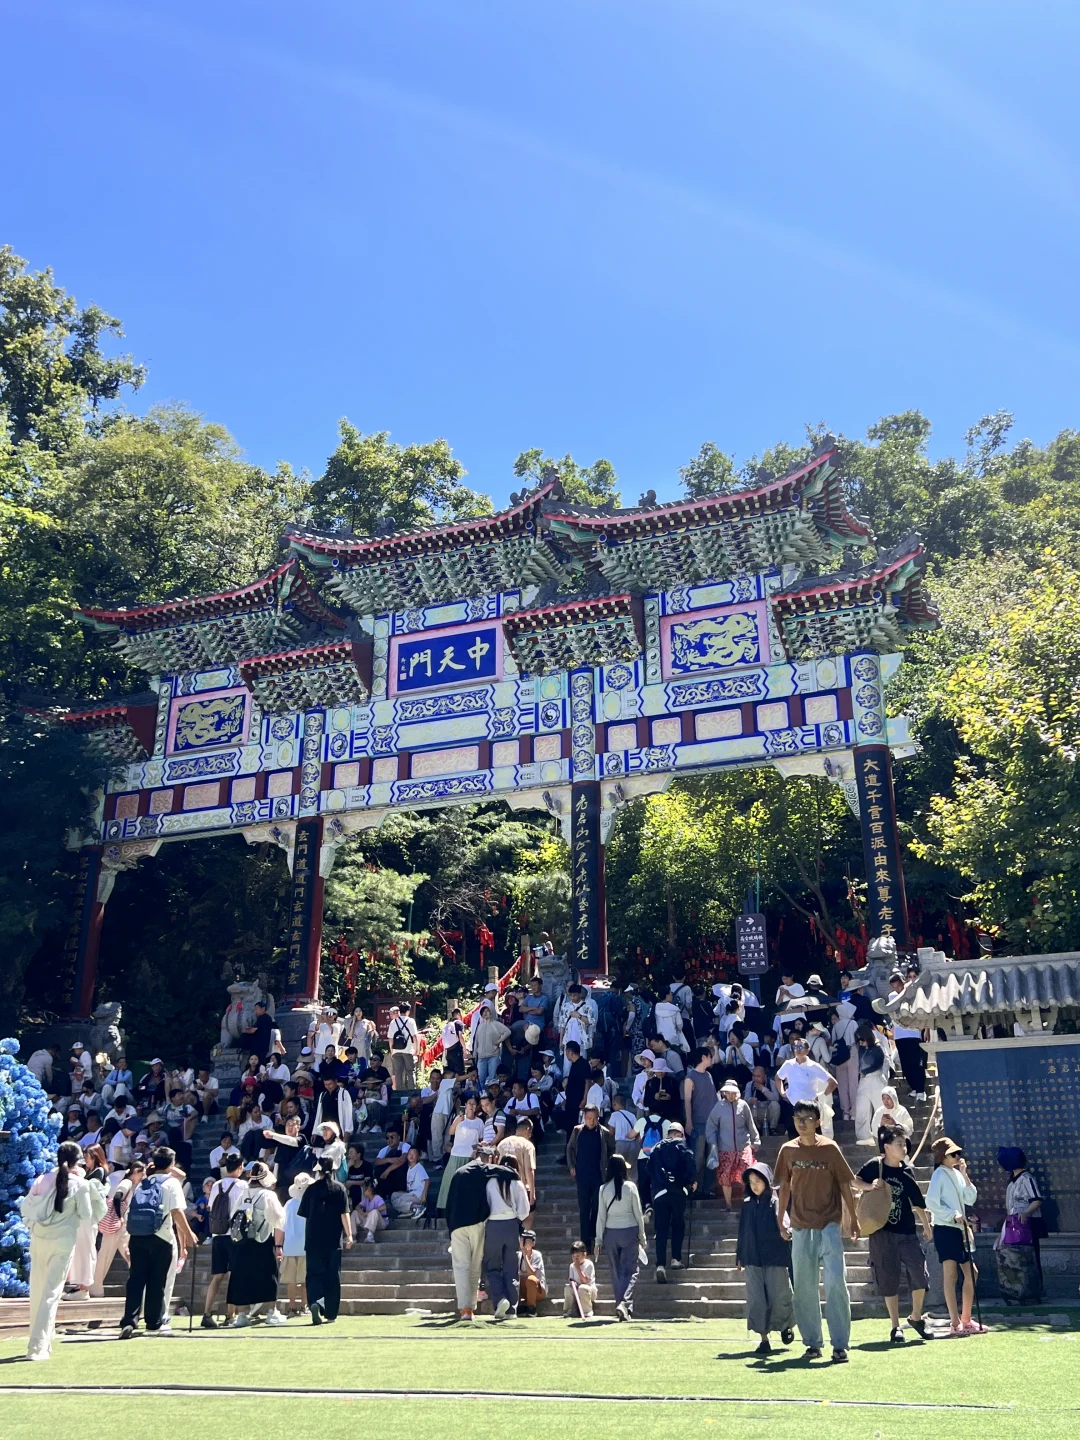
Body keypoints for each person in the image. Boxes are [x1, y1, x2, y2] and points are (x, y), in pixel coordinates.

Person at [773, 1101, 860, 1362]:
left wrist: (852, 1218)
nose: (802, 1123)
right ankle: (812, 1342)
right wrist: (780, 1218)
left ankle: (840, 1343)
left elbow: (846, 1184)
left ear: (818, 1121)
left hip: (830, 1224)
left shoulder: (830, 1149)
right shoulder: (787, 1150)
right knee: (803, 1287)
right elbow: (784, 1187)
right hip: (800, 1226)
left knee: (835, 1283)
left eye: (807, 1118)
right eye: (798, 1118)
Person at [20, 1141, 108, 1361]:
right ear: (77, 1161)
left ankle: (41, 1341)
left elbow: (26, 1208)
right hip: (63, 1242)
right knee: (50, 1294)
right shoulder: (80, 1184)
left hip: (40, 1239)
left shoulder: (43, 1179)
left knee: (38, 1291)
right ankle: (38, 1346)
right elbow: (88, 1215)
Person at [855, 1125, 932, 1342]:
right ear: (887, 1147)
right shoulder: (875, 1166)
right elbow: (854, 1180)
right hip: (881, 1231)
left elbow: (918, 1202)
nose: (904, 1147)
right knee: (888, 1277)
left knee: (919, 1272)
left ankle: (916, 1317)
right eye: (899, 1144)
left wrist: (926, 1226)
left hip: (907, 1231)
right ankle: (895, 1325)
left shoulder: (907, 1171)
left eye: (904, 1143)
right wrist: (870, 1186)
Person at [119, 1145, 193, 1340]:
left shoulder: (144, 1182)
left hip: (138, 1237)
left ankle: (129, 1321)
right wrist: (189, 1234)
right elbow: (177, 1212)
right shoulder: (172, 1183)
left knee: (136, 1280)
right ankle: (153, 1320)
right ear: (171, 1163)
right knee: (156, 1281)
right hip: (161, 1238)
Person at [445, 1152, 517, 1322]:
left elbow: (449, 1203)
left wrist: (450, 1229)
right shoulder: (482, 1169)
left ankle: (465, 1309)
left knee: (461, 1267)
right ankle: (471, 1307)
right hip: (476, 1223)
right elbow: (508, 1172)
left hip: (456, 1225)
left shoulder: (458, 1172)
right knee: (475, 1267)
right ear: (488, 1158)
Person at [926, 1137, 987, 1336]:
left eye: (958, 1153)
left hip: (961, 1230)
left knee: (972, 1272)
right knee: (950, 1275)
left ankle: (967, 1318)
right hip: (945, 1229)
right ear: (942, 1157)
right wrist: (953, 1215)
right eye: (953, 1154)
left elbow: (971, 1197)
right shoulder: (938, 1175)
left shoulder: (957, 1174)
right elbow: (932, 1202)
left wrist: (965, 1174)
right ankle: (954, 1322)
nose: (957, 1157)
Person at [735, 1161, 795, 1356]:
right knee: (756, 1300)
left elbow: (784, 1221)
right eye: (751, 1182)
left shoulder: (775, 1202)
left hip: (775, 1256)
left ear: (767, 1181)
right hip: (752, 1258)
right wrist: (739, 1255)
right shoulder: (747, 1205)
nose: (755, 1185)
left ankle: (786, 1326)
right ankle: (764, 1338)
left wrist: (787, 1231)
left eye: (758, 1181)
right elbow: (742, 1232)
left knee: (780, 1296)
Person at [298, 1157, 353, 1323]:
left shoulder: (311, 1190)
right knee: (332, 1276)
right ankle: (330, 1313)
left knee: (314, 1274)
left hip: (313, 1239)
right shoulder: (340, 1189)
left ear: (318, 1171)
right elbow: (345, 1214)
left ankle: (315, 1301)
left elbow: (304, 1215)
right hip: (333, 1239)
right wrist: (349, 1235)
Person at [595, 1153, 646, 1321]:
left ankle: (622, 1304)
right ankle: (624, 1304)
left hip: (610, 1233)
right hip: (629, 1231)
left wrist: (598, 1240)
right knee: (631, 1271)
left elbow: (600, 1217)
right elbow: (638, 1214)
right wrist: (642, 1235)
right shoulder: (630, 1187)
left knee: (615, 1271)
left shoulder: (603, 1189)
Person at [202, 1153, 249, 1327]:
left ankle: (207, 1313)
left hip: (217, 1235)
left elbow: (210, 1207)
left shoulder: (216, 1185)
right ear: (240, 1167)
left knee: (217, 1276)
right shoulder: (242, 1185)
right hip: (234, 1234)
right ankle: (231, 1315)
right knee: (234, 1275)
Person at [483, 1154, 531, 1318]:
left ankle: (500, 1298)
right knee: (512, 1267)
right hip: (511, 1225)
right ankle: (512, 1308)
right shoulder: (517, 1183)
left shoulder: (490, 1183)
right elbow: (525, 1211)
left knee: (492, 1266)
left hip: (493, 1226)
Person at [648, 1120, 696, 1282]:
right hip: (678, 1192)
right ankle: (676, 1259)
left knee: (661, 1229)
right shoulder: (683, 1146)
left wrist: (658, 1182)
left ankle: (660, 1265)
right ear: (681, 1134)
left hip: (660, 1193)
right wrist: (690, 1181)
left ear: (668, 1133)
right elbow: (690, 1164)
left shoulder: (657, 1147)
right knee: (678, 1225)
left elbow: (649, 1168)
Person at [91, 1159, 144, 1297]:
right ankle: (95, 1288)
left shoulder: (131, 1184)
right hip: (117, 1223)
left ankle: (138, 1284)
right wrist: (120, 1216)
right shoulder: (127, 1182)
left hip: (123, 1226)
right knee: (105, 1255)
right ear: (136, 1172)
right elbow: (117, 1197)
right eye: (142, 1174)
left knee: (129, 1253)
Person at [706, 1078, 761, 1209]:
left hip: (743, 1147)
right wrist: (713, 1143)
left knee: (748, 1174)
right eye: (728, 1092)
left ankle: (750, 1202)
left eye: (733, 1092)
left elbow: (750, 1124)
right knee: (725, 1177)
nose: (730, 1095)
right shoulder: (718, 1107)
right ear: (724, 1093)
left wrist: (756, 1141)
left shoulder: (743, 1105)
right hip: (725, 1148)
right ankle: (728, 1204)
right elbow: (711, 1126)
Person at [567, 1105, 614, 1254]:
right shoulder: (577, 1131)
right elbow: (570, 1149)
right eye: (588, 1118)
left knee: (597, 1208)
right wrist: (571, 1166)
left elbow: (612, 1149)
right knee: (584, 1209)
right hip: (582, 1175)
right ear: (584, 1117)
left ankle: (594, 1236)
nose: (591, 1121)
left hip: (598, 1176)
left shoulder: (604, 1133)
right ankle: (585, 1242)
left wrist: (608, 1166)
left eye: (593, 1118)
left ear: (598, 1117)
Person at [999, 1146, 1045, 1282]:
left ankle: (1036, 1286)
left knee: (1031, 1256)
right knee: (1017, 1256)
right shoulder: (1011, 1180)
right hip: (1014, 1223)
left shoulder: (1026, 1178)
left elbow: (1036, 1200)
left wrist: (1025, 1213)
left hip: (1028, 1223)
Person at [776, 1037, 837, 1140]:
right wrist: (782, 1093)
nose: (798, 1049)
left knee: (812, 1139)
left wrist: (821, 1096)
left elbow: (833, 1083)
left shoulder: (814, 1066)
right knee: (794, 1139)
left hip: (810, 1109)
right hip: (793, 1107)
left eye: (801, 1047)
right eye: (795, 1047)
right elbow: (778, 1078)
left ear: (807, 1050)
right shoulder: (788, 1064)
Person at [438, 1096, 486, 1208]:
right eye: (470, 1103)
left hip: (470, 1157)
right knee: (450, 1182)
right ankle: (447, 1207)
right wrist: (457, 1121)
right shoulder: (459, 1118)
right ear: (466, 1104)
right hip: (456, 1155)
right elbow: (450, 1132)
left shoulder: (479, 1122)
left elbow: (481, 1140)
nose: (471, 1106)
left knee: (467, 1185)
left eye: (474, 1104)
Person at [683, 1046, 719, 1189]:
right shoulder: (690, 1077)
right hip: (698, 1123)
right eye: (710, 1056)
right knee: (697, 1158)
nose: (711, 1059)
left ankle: (707, 1189)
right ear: (703, 1057)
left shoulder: (708, 1076)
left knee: (711, 1158)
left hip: (712, 1124)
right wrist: (689, 1121)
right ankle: (694, 1188)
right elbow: (687, 1100)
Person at [278, 1172, 311, 1316]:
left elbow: (281, 1226)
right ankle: (304, 1306)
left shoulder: (288, 1204)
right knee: (304, 1280)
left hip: (290, 1246)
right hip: (306, 1246)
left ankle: (292, 1307)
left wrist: (278, 1245)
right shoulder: (310, 1203)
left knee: (291, 1280)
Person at [854, 1024, 890, 1143]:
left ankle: (883, 1134)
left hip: (876, 1079)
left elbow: (878, 1064)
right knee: (861, 1109)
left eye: (862, 1039)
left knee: (880, 1108)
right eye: (858, 1040)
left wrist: (865, 1071)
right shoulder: (861, 1049)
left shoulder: (878, 1047)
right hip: (864, 1080)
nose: (860, 1042)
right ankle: (863, 1136)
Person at [497, 1116, 537, 1209]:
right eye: (530, 1133)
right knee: (527, 1219)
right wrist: (532, 1193)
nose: (530, 1136)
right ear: (527, 1129)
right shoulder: (527, 1145)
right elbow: (529, 1169)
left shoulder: (501, 1144)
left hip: (503, 1189)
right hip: (521, 1188)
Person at [829, 1003, 860, 1122]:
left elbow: (833, 1041)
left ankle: (845, 1112)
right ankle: (854, 1112)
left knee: (842, 1085)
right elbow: (857, 1039)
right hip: (852, 1053)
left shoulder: (836, 1025)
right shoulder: (853, 1023)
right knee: (853, 1083)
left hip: (840, 1056)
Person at [472, 1004, 510, 1089]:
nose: (485, 1013)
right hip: (481, 1057)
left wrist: (499, 1041)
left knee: (493, 1078)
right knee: (480, 1078)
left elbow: (507, 1032)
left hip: (493, 1056)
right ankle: (482, 1096)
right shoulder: (480, 1026)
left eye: (487, 1011)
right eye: (483, 1011)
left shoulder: (495, 1024)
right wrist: (474, 1052)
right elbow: (476, 1040)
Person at [387, 1003, 420, 1091]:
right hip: (408, 1050)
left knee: (398, 1073)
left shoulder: (393, 1022)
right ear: (408, 1011)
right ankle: (411, 1092)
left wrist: (391, 1051)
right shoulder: (410, 1021)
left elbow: (390, 1039)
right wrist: (416, 1050)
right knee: (410, 1071)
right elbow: (415, 1037)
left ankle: (399, 1092)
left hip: (396, 1051)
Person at [391, 1146, 430, 1218]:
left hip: (417, 1195)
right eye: (409, 1154)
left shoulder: (419, 1167)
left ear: (418, 1156)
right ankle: (412, 1210)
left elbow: (427, 1180)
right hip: (411, 1194)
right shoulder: (409, 1168)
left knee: (398, 1201)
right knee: (394, 1195)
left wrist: (424, 1195)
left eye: (414, 1153)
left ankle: (418, 1207)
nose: (411, 1155)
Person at [744, 1067, 782, 1137]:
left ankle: (772, 1128)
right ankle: (756, 1129)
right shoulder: (749, 1085)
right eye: (754, 1076)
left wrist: (763, 1089)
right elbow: (745, 1099)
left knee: (775, 1105)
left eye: (758, 1076)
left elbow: (776, 1098)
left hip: (768, 1111)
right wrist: (751, 1100)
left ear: (764, 1076)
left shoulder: (772, 1083)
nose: (755, 1079)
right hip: (756, 1111)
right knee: (747, 1107)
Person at [564, 1240, 598, 1318]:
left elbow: (585, 1281)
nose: (576, 1259)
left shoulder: (589, 1264)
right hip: (577, 1290)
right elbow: (571, 1279)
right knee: (568, 1288)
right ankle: (570, 1310)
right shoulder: (571, 1266)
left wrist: (578, 1268)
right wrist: (573, 1283)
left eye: (578, 1256)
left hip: (589, 1291)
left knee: (582, 1288)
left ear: (584, 1254)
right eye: (573, 1257)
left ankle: (587, 1311)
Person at [518, 1230, 547, 1317]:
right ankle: (518, 1306)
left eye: (527, 1241)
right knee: (514, 1280)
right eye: (523, 1240)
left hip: (538, 1290)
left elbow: (532, 1273)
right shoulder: (517, 1255)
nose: (524, 1243)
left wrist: (525, 1255)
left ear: (533, 1243)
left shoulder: (537, 1255)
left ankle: (531, 1308)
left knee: (531, 1279)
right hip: (524, 1290)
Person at [441, 1008, 467, 1076]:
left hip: (448, 1052)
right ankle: (462, 1085)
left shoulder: (447, 1025)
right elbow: (460, 1036)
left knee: (451, 1072)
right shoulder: (459, 1023)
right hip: (456, 1050)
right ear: (458, 1014)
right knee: (461, 1071)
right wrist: (464, 1048)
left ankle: (450, 1086)